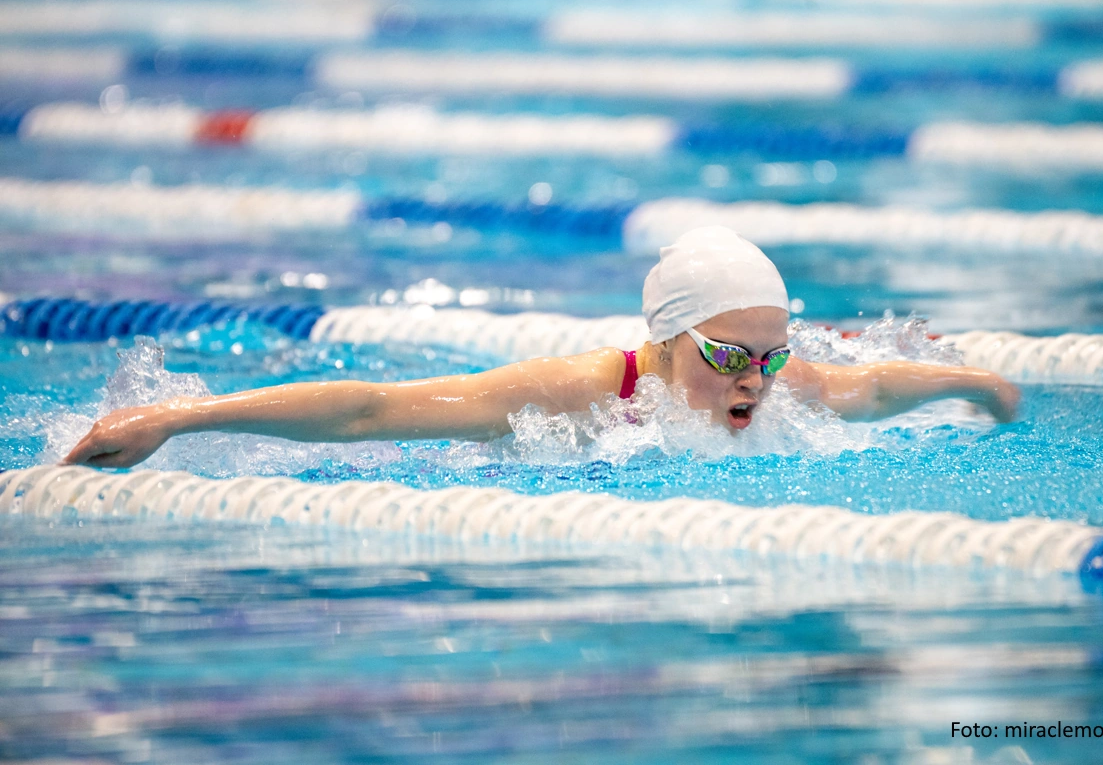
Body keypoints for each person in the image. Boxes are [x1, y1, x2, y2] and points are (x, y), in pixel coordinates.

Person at [65, 227, 1020, 469]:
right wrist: (176, 417)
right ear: (668, 339)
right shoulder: (575, 393)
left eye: (771, 356)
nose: (759, 383)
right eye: (732, 357)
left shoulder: (785, 382)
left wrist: (972, 383)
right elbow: (372, 409)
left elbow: (877, 383)